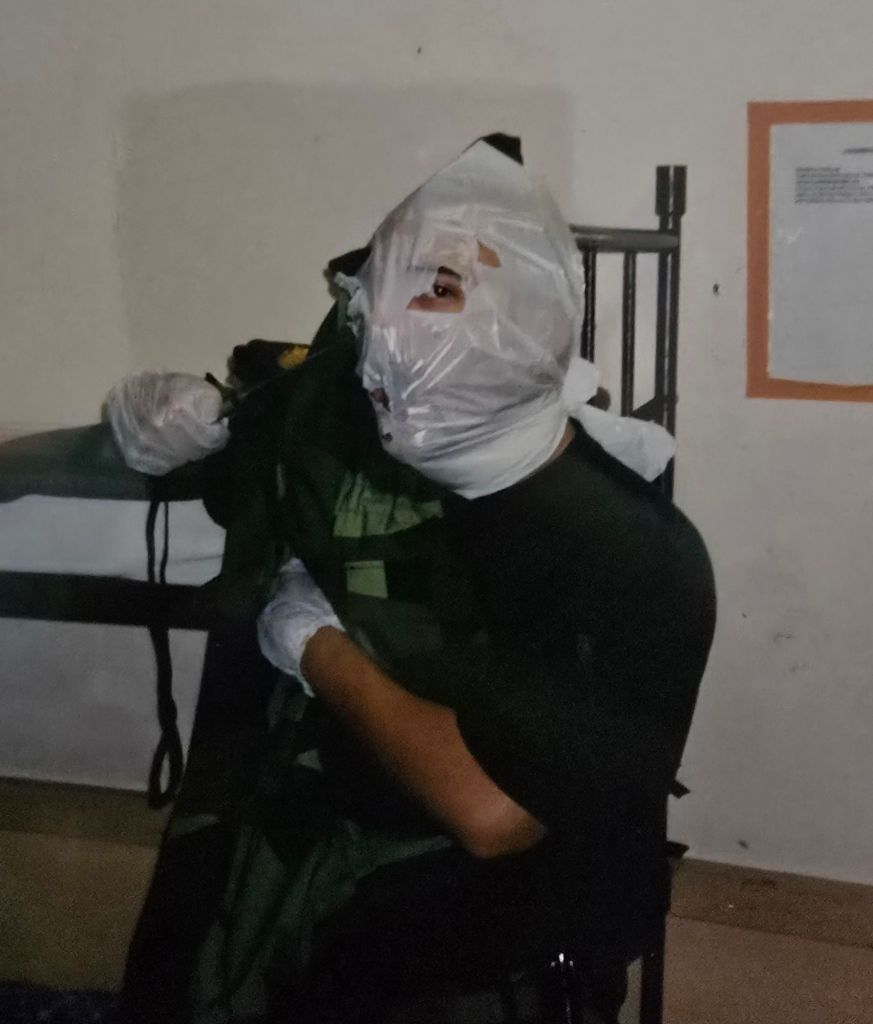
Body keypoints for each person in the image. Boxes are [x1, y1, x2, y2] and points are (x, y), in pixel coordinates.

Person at [251, 137, 716, 1022]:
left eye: (440, 289)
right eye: (379, 297)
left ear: (534, 317)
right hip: (366, 930)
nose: (394, 329)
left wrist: (313, 645)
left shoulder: (628, 549)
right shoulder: (411, 482)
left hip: (502, 970)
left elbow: (493, 810)